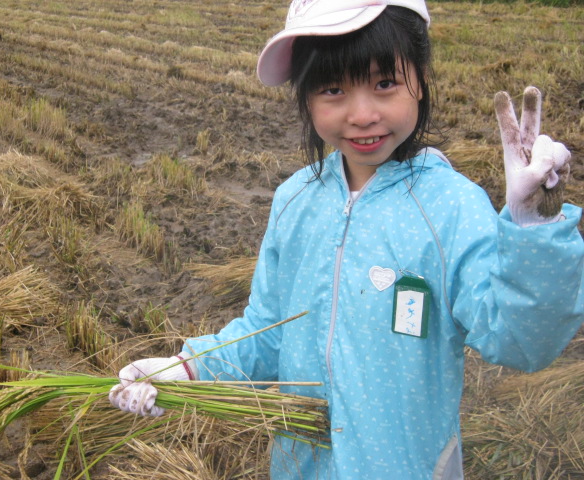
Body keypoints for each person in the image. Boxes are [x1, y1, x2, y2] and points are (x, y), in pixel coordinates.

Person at [109, 0, 584, 478]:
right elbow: (269, 333)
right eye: (333, 89)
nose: (362, 114)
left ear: (420, 79)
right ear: (305, 98)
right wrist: (185, 370)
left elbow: (522, 343)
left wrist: (535, 228)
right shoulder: (295, 201)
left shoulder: (451, 207)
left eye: (384, 83)